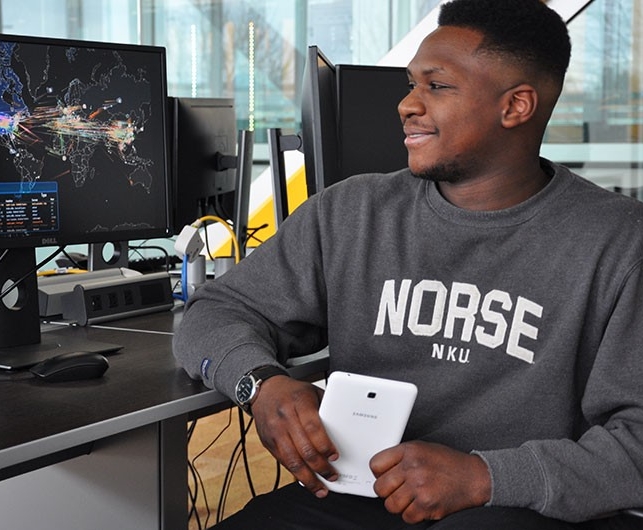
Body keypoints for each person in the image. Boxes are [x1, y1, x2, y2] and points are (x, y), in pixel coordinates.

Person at [173, 0, 643, 528]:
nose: (406, 105)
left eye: (436, 86)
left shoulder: (620, 241)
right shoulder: (352, 211)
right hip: (357, 496)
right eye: (410, 84)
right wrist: (260, 385)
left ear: (516, 106)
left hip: (512, 505)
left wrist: (483, 478)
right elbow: (214, 313)